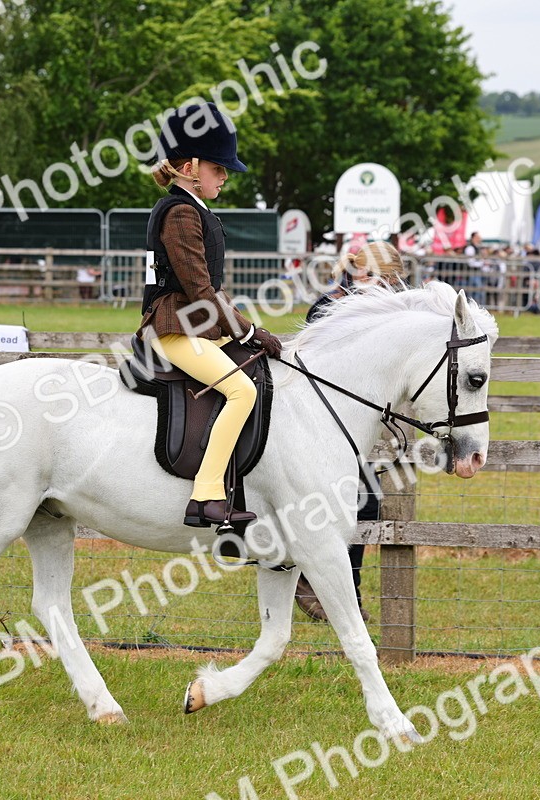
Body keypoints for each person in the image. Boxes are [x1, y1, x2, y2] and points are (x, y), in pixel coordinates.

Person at [136, 102, 282, 528]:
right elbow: (201, 291)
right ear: (190, 166)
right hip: (175, 329)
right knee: (242, 392)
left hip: (194, 324)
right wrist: (250, 329)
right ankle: (205, 495)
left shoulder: (194, 209)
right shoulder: (180, 213)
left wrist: (242, 329)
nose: (225, 177)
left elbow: (209, 292)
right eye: (219, 169)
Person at [297, 241, 406, 623]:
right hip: (320, 423)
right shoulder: (331, 306)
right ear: (357, 270)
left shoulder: (386, 308)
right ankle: (324, 587)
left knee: (364, 502)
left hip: (355, 425)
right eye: (370, 275)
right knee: (352, 501)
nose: (374, 283)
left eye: (384, 279)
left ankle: (340, 589)